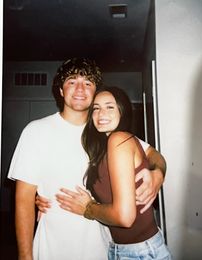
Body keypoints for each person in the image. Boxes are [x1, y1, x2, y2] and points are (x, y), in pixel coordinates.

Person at [8, 58, 166, 260]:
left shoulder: (106, 131)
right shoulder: (36, 131)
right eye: (72, 81)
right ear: (61, 91)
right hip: (53, 247)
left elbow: (155, 156)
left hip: (101, 247)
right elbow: (23, 199)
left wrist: (158, 174)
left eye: (88, 83)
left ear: (95, 93)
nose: (80, 88)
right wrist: (25, 255)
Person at [55, 86, 171, 259]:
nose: (101, 114)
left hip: (140, 253)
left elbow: (125, 217)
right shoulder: (105, 144)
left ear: (122, 111)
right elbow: (154, 155)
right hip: (123, 249)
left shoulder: (119, 139)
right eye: (96, 108)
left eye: (110, 107)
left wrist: (88, 208)